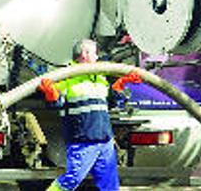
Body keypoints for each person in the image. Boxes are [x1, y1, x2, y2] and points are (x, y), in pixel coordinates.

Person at [37, 39, 141, 191]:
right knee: (72, 179)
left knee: (110, 185)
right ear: (84, 54)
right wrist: (51, 94)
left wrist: (119, 86)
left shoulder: (98, 77)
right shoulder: (66, 76)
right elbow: (57, 104)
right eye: (94, 53)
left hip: (105, 140)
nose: (97, 57)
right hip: (83, 140)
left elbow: (107, 104)